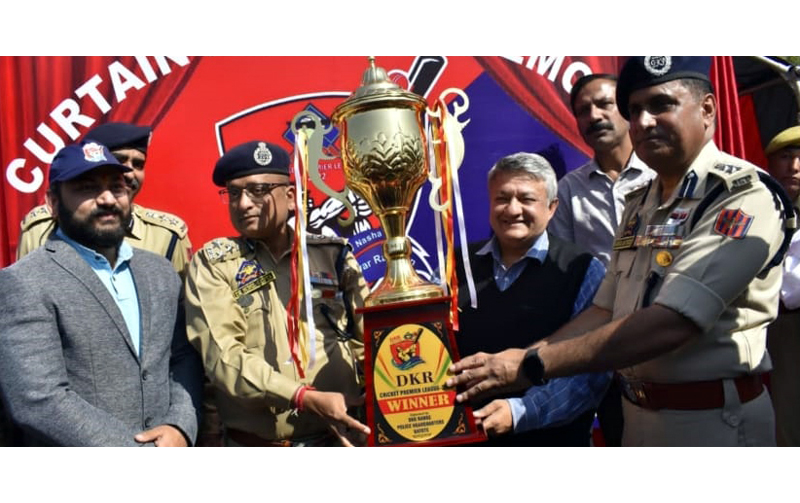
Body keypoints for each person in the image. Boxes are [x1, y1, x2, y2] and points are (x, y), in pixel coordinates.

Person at [446, 56, 793, 446]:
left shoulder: (741, 195)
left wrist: (529, 365)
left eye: (661, 105)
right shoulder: (641, 203)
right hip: (636, 418)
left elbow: (673, 321)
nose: (643, 121)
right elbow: (604, 309)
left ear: (708, 109)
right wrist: (520, 358)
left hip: (712, 420)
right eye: (635, 109)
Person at [0, 140, 202, 446]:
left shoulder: (160, 272)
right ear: (53, 203)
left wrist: (180, 426)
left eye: (117, 187)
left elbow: (183, 357)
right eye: (87, 188)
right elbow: (39, 399)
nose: (107, 199)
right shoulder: (24, 281)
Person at [184, 140, 371, 446]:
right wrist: (302, 396)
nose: (243, 204)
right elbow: (224, 357)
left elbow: (368, 341)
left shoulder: (332, 256)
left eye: (258, 190)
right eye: (234, 193)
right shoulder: (214, 264)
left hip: (341, 440)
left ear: (291, 197)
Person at [455, 152, 610, 446]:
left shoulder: (581, 269)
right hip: (468, 439)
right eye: (502, 198)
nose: (513, 209)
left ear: (552, 208)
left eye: (526, 199)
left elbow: (590, 373)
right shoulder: (455, 265)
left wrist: (520, 412)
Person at [550, 73, 656, 446]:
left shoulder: (663, 174)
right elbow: (565, 272)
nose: (594, 116)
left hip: (668, 332)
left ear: (627, 110)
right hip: (608, 348)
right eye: (583, 110)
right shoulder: (569, 190)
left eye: (604, 104)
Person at [16, 122, 192, 278]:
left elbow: (177, 301)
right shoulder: (40, 229)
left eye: (138, 165)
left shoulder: (165, 236)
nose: (130, 174)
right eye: (120, 161)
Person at [764, 125, 800, 446]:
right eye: (786, 157)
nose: (795, 167)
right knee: (786, 422)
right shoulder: (761, 209)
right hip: (779, 326)